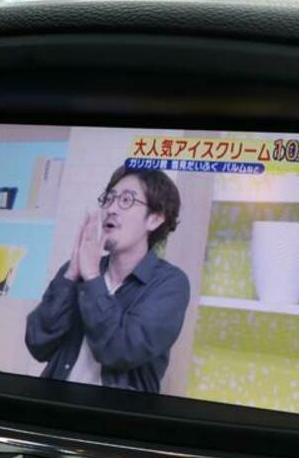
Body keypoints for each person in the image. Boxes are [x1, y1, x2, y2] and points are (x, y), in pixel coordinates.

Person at [25, 165, 190, 393]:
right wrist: (71, 275)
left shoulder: (170, 283)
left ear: (154, 219)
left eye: (126, 200)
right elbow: (37, 344)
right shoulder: (78, 269)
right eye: (109, 199)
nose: (111, 208)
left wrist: (92, 277)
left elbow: (120, 350)